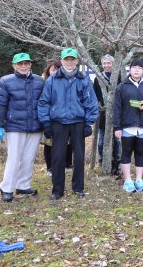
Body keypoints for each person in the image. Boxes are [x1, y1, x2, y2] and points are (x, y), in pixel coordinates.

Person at [38, 48, 98, 200]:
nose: (70, 62)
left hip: (78, 122)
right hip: (58, 122)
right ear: (62, 61)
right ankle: (57, 190)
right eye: (67, 59)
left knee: (78, 157)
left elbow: (91, 102)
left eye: (72, 59)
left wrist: (89, 122)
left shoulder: (83, 79)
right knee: (57, 157)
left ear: (77, 61)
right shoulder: (52, 80)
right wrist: (46, 123)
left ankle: (78, 188)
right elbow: (44, 102)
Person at [0, 52, 45, 202]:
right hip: (14, 126)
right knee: (14, 158)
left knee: (28, 158)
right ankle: (7, 188)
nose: (24, 66)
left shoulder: (39, 81)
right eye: (20, 63)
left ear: (30, 64)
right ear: (14, 65)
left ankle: (23, 185)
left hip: (35, 126)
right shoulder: (5, 81)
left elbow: (43, 103)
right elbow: (1, 105)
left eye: (26, 63)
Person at [112, 59, 143, 193]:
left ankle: (139, 180)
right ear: (130, 69)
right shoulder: (122, 86)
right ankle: (128, 181)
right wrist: (117, 127)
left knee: (139, 153)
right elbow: (117, 108)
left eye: (140, 67)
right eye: (134, 67)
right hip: (127, 126)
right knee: (126, 153)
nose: (137, 70)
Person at [41, 60, 72, 176]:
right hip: (49, 118)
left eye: (58, 69)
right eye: (53, 69)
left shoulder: (66, 81)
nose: (55, 72)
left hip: (66, 118)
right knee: (49, 143)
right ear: (48, 70)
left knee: (68, 142)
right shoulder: (43, 82)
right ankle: (50, 168)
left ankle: (67, 164)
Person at [93, 54, 121, 175]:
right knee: (101, 141)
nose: (106, 65)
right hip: (103, 115)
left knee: (117, 140)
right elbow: (95, 96)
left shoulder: (119, 77)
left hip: (116, 114)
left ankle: (116, 162)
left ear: (113, 64)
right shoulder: (98, 78)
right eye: (104, 63)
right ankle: (102, 160)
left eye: (109, 63)